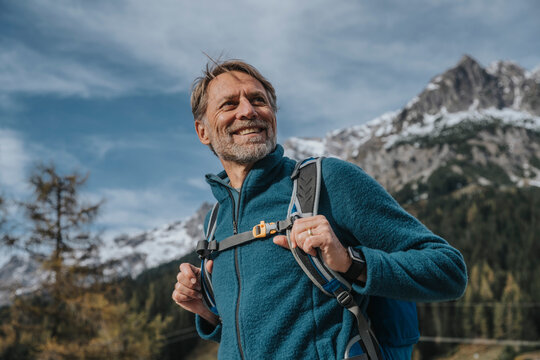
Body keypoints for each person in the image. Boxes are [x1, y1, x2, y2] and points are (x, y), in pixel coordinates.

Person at [172, 59, 467, 359]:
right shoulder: (215, 223)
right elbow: (263, 338)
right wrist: (207, 312)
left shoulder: (329, 181)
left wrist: (351, 263)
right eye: (229, 104)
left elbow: (448, 270)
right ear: (203, 132)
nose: (248, 111)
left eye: (258, 100)